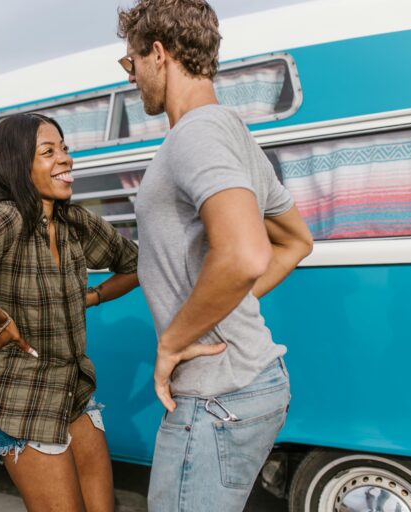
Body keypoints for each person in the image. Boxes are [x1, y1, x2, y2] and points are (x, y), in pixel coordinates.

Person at [116, 1, 314, 511]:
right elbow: (294, 241)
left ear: (157, 53)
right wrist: (221, 306)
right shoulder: (230, 130)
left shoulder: (197, 134)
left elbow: (247, 253)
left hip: (216, 395)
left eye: (130, 62)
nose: (131, 76)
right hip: (249, 381)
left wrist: (174, 343)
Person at [0, 113, 139, 512]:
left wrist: (89, 298)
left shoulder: (73, 220)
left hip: (76, 393)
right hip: (25, 404)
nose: (66, 159)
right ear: (19, 165)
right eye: (49, 152)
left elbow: (136, 264)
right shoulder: (5, 218)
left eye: (66, 149)